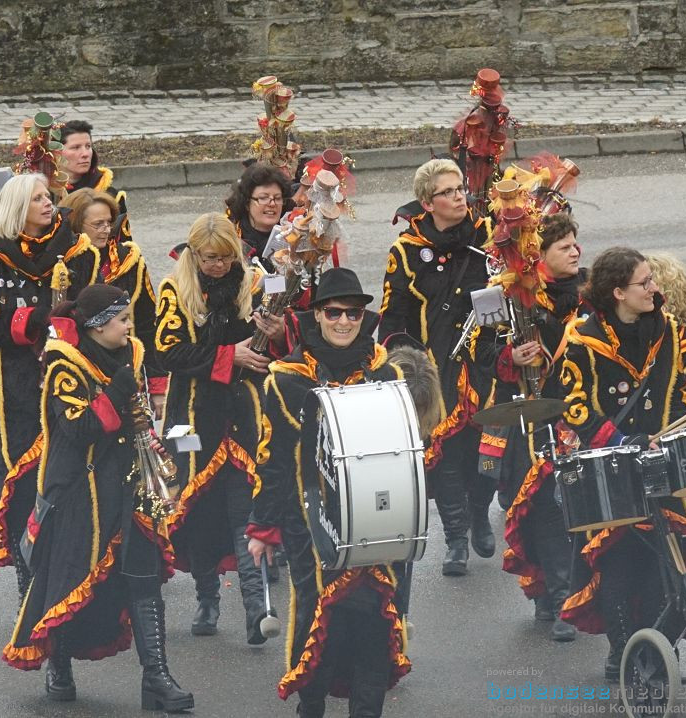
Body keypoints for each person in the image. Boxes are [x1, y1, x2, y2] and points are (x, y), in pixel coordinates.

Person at [2, 284, 192, 712]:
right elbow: (81, 428)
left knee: (143, 579)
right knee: (68, 581)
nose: (130, 326)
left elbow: (138, 411)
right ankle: (60, 667)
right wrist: (122, 387)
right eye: (123, 319)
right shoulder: (62, 368)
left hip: (129, 486)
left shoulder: (134, 353)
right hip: (79, 495)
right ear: (98, 326)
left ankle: (157, 678)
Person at [247, 268, 413, 717]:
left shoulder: (386, 372)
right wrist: (262, 528)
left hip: (378, 519)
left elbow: (405, 450)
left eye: (354, 313)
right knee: (320, 620)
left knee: (376, 624)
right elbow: (272, 460)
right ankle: (312, 706)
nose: (344, 321)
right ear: (317, 315)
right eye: (334, 312)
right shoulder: (285, 380)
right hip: (311, 524)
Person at [552, 247, 686, 679]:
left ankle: (659, 648)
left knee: (666, 561)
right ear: (618, 292)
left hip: (661, 462)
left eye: (653, 280)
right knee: (620, 562)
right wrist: (622, 440)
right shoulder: (583, 339)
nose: (655, 288)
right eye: (645, 282)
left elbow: (680, 390)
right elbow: (575, 405)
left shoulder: (669, 331)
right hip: (612, 468)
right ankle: (622, 649)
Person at [0, 173, 100, 600]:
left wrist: (65, 325)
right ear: (18, 208)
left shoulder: (79, 253)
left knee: (74, 478)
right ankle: (29, 580)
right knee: (22, 486)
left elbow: (96, 312)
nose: (48, 204)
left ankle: (74, 572)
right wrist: (28, 322)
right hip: (14, 394)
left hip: (70, 382)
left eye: (48, 197)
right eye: (37, 198)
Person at [153, 212, 283, 641]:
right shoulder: (174, 289)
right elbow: (170, 353)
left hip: (244, 413)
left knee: (244, 510)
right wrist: (230, 357)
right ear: (194, 253)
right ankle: (207, 598)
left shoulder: (257, 281)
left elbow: (279, 345)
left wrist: (276, 330)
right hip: (192, 415)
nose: (219, 266)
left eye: (227, 259)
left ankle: (253, 610)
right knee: (195, 510)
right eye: (210, 259)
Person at [378, 158, 495, 577]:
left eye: (461, 187)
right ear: (428, 202)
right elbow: (393, 319)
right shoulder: (408, 251)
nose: (459, 195)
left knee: (487, 452)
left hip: (486, 365)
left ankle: (481, 510)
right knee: (444, 455)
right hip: (437, 365)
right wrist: (407, 368)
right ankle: (457, 537)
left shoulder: (491, 236)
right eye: (448, 191)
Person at [492, 212, 586, 642]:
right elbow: (477, 350)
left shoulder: (592, 293)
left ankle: (569, 595)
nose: (575, 251)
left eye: (575, 243)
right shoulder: (509, 297)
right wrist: (510, 358)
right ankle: (551, 593)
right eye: (564, 246)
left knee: (574, 507)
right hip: (529, 422)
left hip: (580, 417)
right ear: (539, 256)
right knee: (540, 507)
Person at [59, 188, 167, 414]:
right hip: (82, 373)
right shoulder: (63, 266)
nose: (106, 230)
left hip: (126, 367)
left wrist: (157, 385)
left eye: (109, 222)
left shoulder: (130, 261)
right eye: (97, 224)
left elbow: (148, 323)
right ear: (76, 224)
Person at [224, 163, 293, 272]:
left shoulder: (293, 233)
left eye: (278, 198)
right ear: (247, 203)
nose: (272, 204)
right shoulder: (230, 237)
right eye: (263, 198)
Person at [60, 120, 126, 206]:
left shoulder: (110, 197)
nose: (85, 154)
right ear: (56, 152)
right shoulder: (43, 193)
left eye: (88, 146)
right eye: (75, 147)